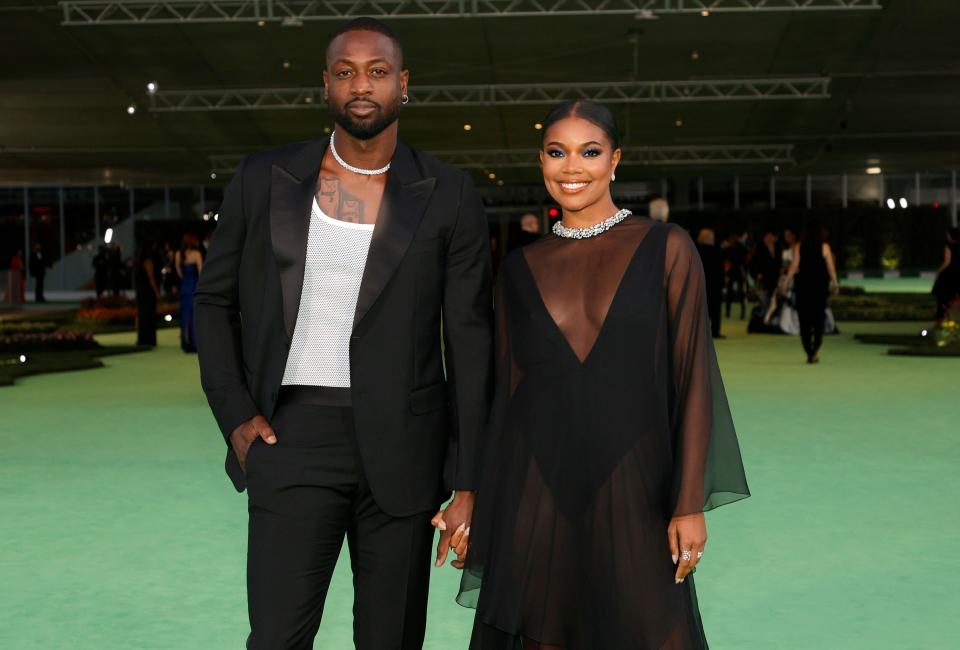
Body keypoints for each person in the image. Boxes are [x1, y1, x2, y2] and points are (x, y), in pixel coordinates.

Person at [193, 17, 492, 650]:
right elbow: (214, 301)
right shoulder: (262, 179)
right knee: (276, 637)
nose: (363, 84)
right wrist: (237, 417)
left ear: (403, 85)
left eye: (378, 72)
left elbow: (468, 340)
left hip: (405, 451)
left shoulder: (449, 194)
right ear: (324, 86)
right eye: (346, 71)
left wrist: (468, 480)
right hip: (292, 435)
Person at [456, 100, 749, 650]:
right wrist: (470, 495)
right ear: (540, 161)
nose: (573, 168)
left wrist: (688, 502)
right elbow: (502, 394)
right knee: (544, 633)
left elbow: (693, 380)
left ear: (615, 160)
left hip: (635, 480)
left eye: (589, 152)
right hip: (534, 482)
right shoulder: (519, 267)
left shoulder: (668, 247)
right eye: (557, 152)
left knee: (654, 632)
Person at [783, 222, 839, 364]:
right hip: (819, 288)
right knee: (819, 320)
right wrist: (835, 283)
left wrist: (785, 283)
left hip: (803, 288)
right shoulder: (825, 247)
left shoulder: (799, 247)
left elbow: (794, 267)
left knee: (804, 321)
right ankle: (815, 349)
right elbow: (830, 269)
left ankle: (809, 351)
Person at [175, 233, 203, 352]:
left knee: (184, 315)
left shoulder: (178, 254)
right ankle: (195, 343)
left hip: (184, 287)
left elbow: (179, 272)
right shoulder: (197, 254)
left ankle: (185, 342)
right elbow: (201, 272)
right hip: (194, 286)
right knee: (194, 315)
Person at [696, 227, 725, 338]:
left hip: (699, 285)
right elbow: (720, 270)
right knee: (715, 310)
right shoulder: (717, 251)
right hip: (714, 285)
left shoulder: (695, 250)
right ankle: (715, 331)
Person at [134, 242, 160, 346]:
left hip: (140, 292)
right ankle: (150, 340)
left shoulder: (138, 262)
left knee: (142, 315)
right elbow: (151, 278)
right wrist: (156, 291)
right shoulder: (148, 261)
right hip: (148, 293)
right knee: (149, 316)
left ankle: (143, 339)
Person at [932, 227, 960, 321]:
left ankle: (942, 316)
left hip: (949, 274)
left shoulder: (948, 247)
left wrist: (938, 272)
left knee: (944, 296)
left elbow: (947, 262)